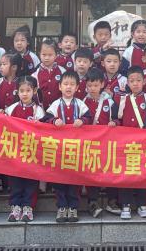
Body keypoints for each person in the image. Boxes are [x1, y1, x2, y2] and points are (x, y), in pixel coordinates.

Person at [45, 70, 88, 222]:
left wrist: (82, 120)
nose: (68, 87)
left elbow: (88, 117)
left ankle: (73, 207)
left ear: (77, 87)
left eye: (72, 84)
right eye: (65, 84)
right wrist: (54, 121)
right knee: (59, 179)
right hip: (59, 150)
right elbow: (47, 118)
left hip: (76, 149)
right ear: (60, 86)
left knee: (74, 179)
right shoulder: (55, 104)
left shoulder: (80, 104)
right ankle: (62, 207)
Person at [115, 66, 146, 219]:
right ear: (127, 83)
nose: (135, 83)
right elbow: (118, 118)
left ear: (144, 81)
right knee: (126, 173)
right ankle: (125, 204)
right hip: (126, 144)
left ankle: (142, 204)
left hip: (144, 143)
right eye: (132, 81)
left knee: (142, 174)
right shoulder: (123, 98)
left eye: (138, 80)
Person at [4, 77, 44, 223]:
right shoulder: (11, 109)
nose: (25, 94)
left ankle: (28, 207)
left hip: (31, 151)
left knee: (30, 180)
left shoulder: (38, 110)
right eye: (21, 91)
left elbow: (43, 131)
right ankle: (15, 206)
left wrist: (38, 124)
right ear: (17, 92)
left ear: (34, 91)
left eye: (28, 90)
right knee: (15, 180)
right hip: (15, 151)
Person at [82, 68, 114, 218]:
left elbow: (116, 118)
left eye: (95, 85)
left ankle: (112, 200)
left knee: (110, 169)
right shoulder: (83, 102)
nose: (92, 88)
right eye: (89, 85)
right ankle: (92, 202)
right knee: (91, 170)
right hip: (90, 144)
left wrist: (114, 123)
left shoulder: (109, 102)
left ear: (102, 84)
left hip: (107, 143)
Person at [34, 40, 64, 107]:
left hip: (59, 108)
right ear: (39, 54)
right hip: (42, 109)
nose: (47, 58)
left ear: (56, 55)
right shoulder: (35, 74)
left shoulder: (62, 71)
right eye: (44, 55)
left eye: (50, 55)